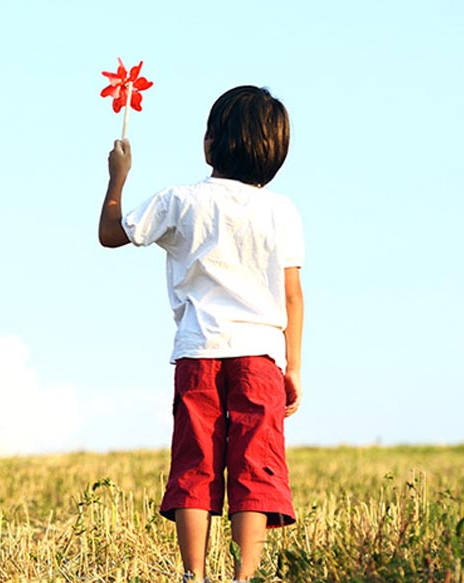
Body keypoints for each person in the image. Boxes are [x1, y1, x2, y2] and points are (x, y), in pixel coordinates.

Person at [97, 85, 303, 583]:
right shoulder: (283, 211)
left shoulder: (180, 202)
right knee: (257, 464)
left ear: (210, 144)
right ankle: (245, 575)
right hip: (261, 359)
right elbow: (292, 295)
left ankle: (194, 574)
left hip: (200, 353)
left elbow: (110, 234)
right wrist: (292, 366)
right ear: (276, 152)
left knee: (196, 463)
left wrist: (117, 179)